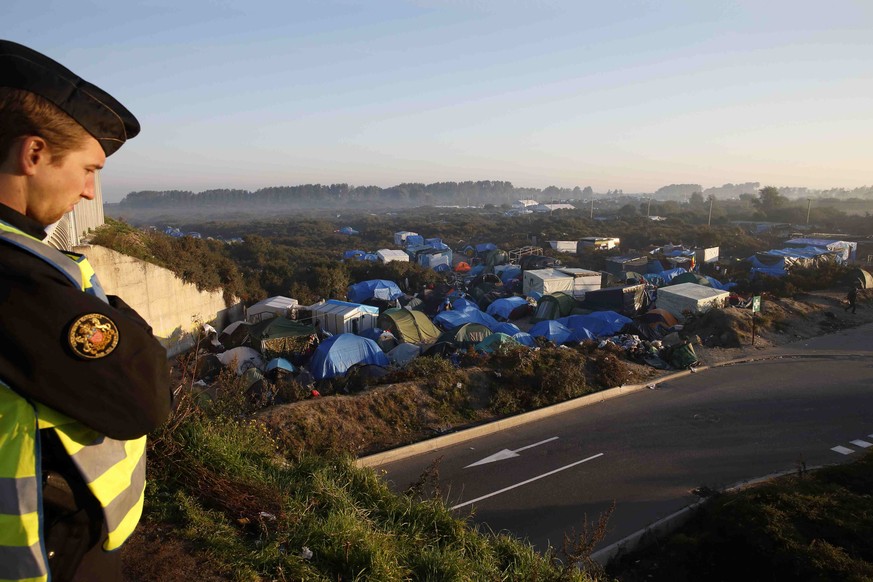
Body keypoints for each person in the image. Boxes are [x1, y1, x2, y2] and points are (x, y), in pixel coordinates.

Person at [0, 40, 171, 581]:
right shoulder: (17, 279)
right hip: (43, 557)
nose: (90, 190)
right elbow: (144, 399)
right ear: (32, 154)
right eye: (88, 168)